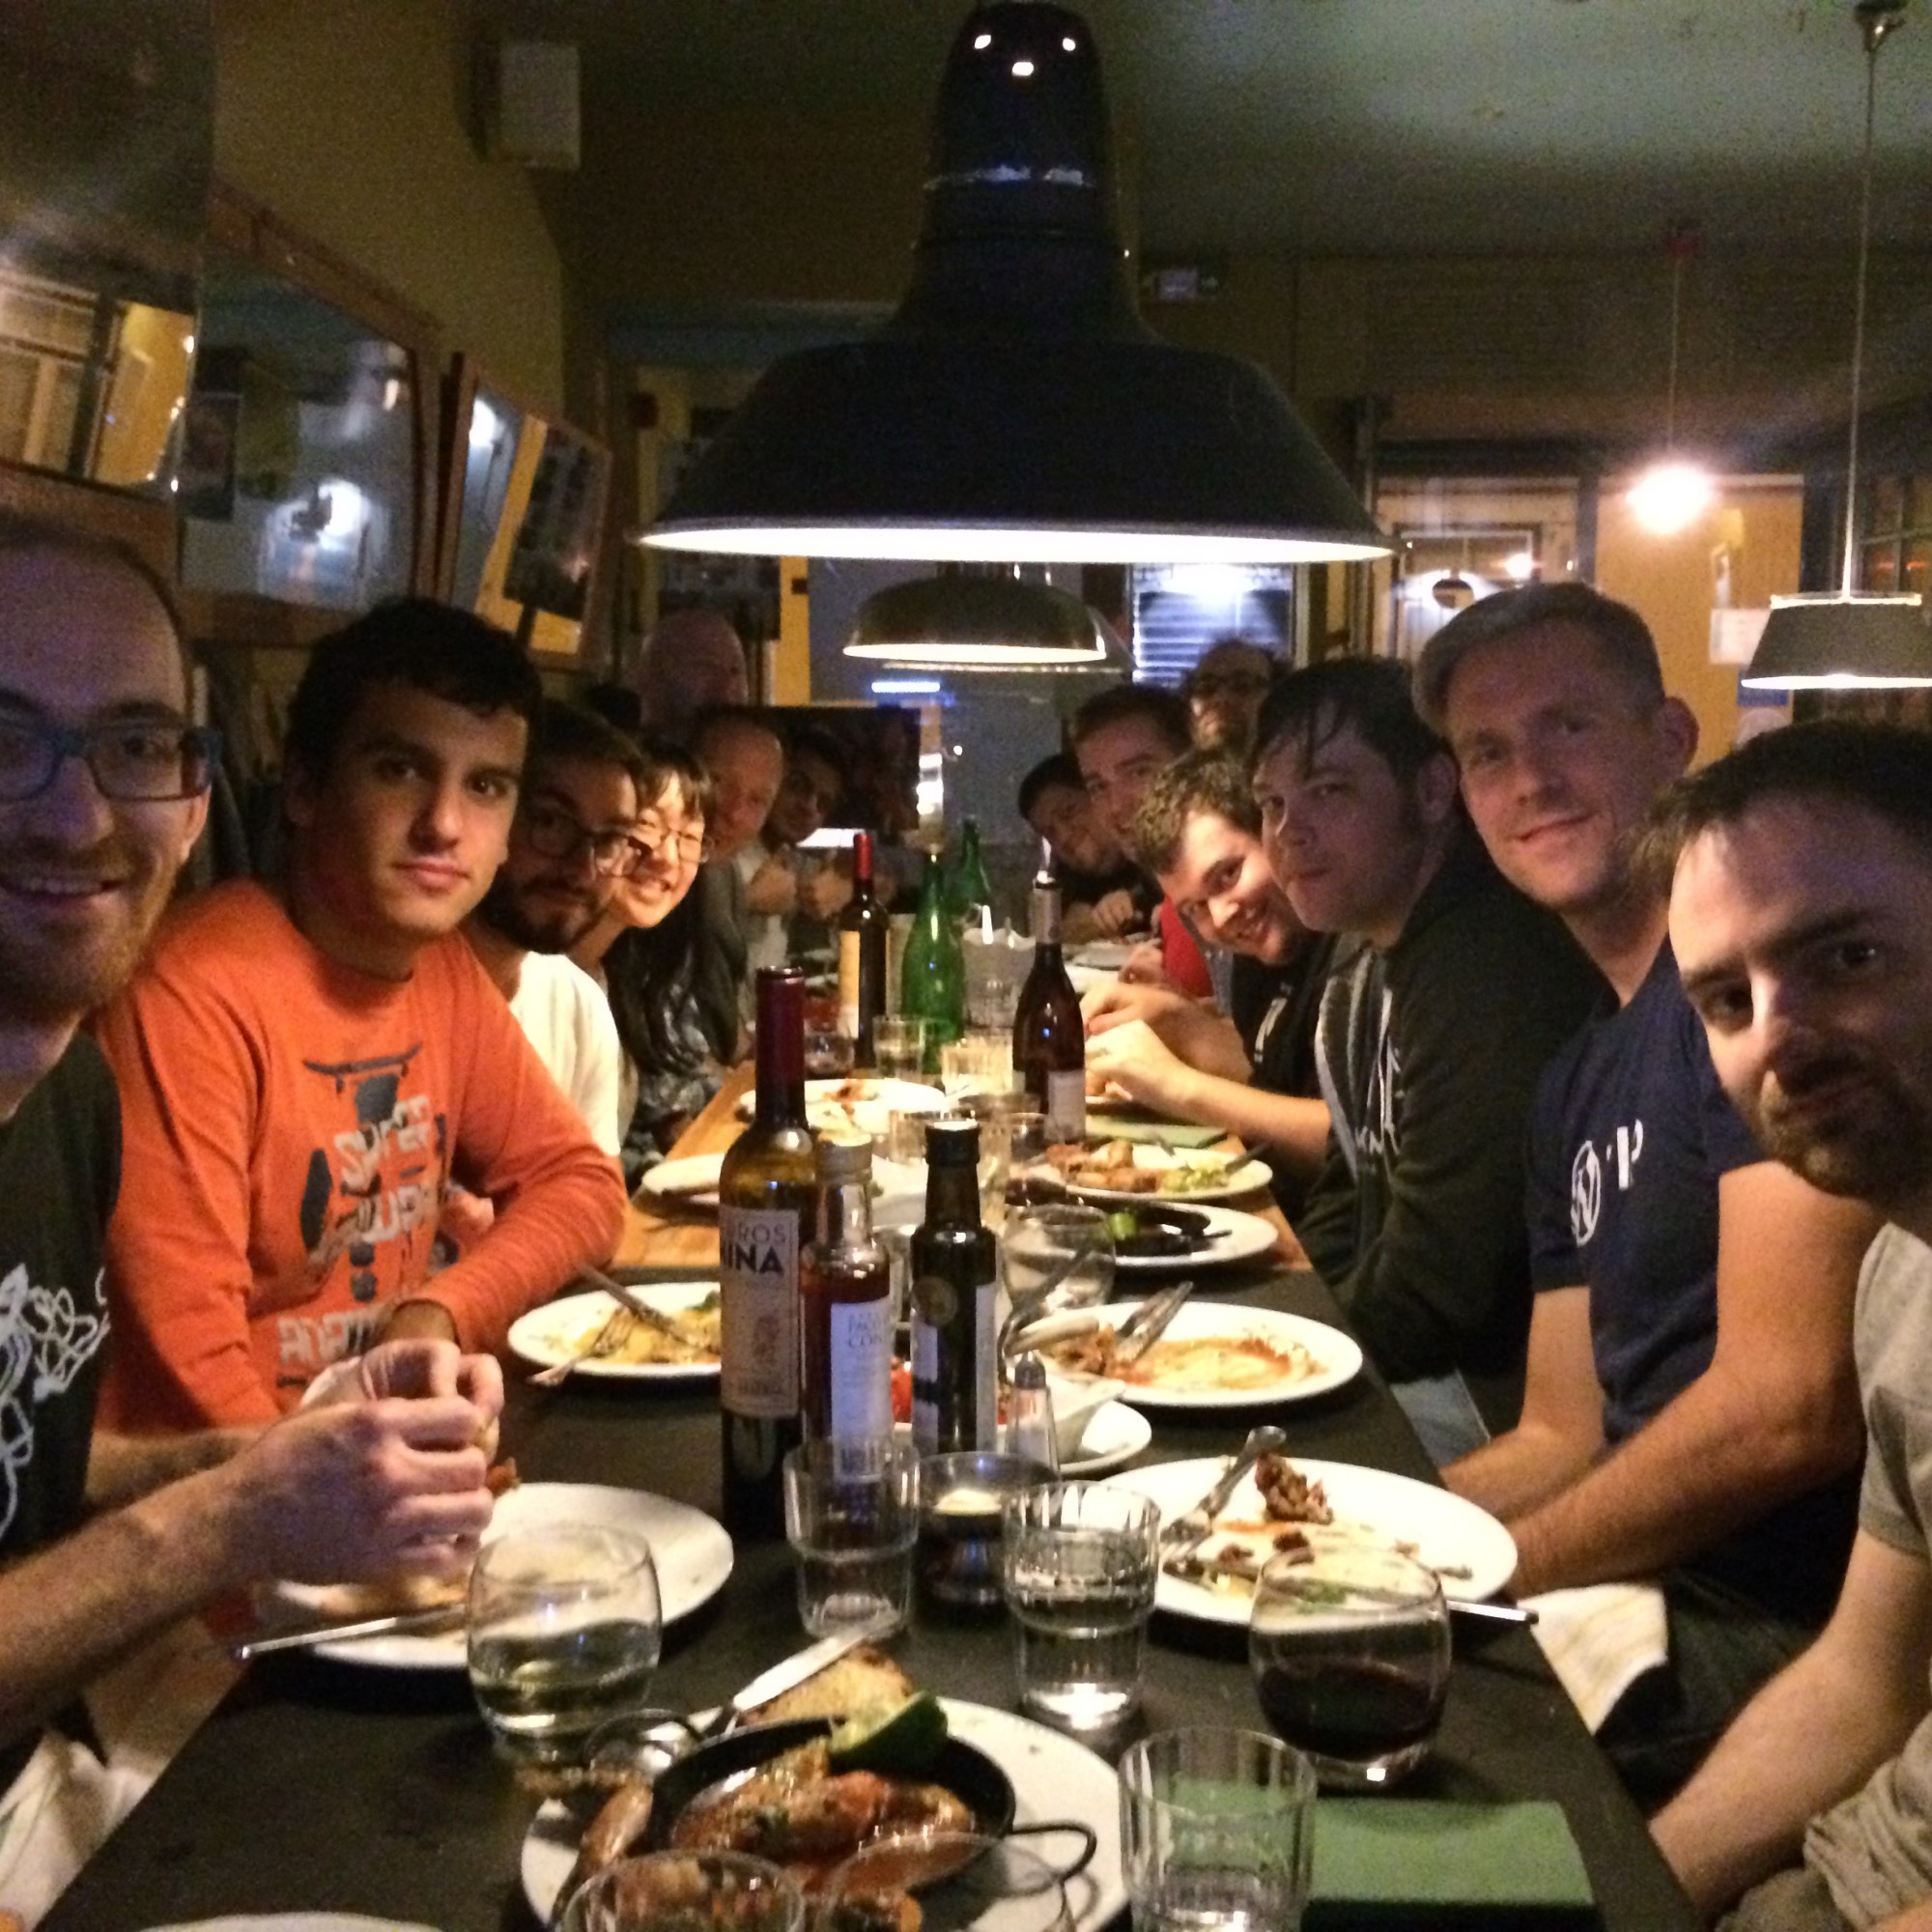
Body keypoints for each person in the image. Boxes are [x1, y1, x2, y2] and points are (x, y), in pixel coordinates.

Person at [0, 517, 504, 1921]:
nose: (74, 815)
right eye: (5, 736)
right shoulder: (171, 1011)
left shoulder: (61, 1086)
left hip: (59, 1780)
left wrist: (272, 1455)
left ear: (194, 784)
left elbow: (28, 1471)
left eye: (135, 745)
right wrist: (226, 1518)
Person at [1417, 583, 1869, 1807]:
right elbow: (1561, 1432)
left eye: (1567, 726)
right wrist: (1369, 1537)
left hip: (1778, 1627)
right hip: (1632, 1581)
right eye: (1488, 753)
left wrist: (1467, 1576)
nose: (1529, 780)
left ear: (1670, 739)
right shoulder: (1572, 1081)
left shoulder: (1754, 1017)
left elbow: (1791, 1406)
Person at [96, 600, 627, 1431]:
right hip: (242, 1503)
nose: (444, 825)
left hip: (374, 1470)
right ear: (306, 787)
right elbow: (188, 1390)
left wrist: (441, 1310)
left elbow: (582, 1185)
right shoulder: (191, 989)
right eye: (400, 769)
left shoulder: (438, 968)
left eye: (485, 787)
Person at [1644, 723, 1932, 1929]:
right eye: (1725, 999)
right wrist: (1615, 1892)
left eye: (1846, 955)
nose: (1775, 1033)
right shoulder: (1899, 1272)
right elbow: (1864, 1681)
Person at [1252, 658, 1605, 1455]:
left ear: (1433, 792)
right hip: (1421, 1367)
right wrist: (1292, 1331)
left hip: (1491, 1404)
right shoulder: (1360, 953)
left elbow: (1445, 1281)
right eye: (1270, 803)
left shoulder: (1491, 961)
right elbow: (1352, 1186)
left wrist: (1288, 1372)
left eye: (1329, 791)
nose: (1288, 832)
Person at [1080, 753, 1340, 1217]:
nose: (1220, 916)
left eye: (1227, 875)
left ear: (1273, 831)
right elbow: (1276, 1082)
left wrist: (1177, 1085)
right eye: (1195, 908)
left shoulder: (1351, 951)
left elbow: (1350, 1136)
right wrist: (1175, 1020)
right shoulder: (1256, 962)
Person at [465, 700, 646, 1153]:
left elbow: (593, 1210)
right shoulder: (394, 1000)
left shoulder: (579, 1006)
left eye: (608, 841)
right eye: (550, 822)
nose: (582, 869)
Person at [1068, 684, 1215, 996]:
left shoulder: (1226, 892)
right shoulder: (1173, 894)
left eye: (1138, 773)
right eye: (1099, 787)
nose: (1116, 805)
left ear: (1193, 763)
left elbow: (1266, 1040)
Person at [691, 705, 786, 1038]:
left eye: (757, 800)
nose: (733, 812)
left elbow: (727, 1035)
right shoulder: (639, 894)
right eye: (719, 782)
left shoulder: (723, 875)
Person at [1017, 753, 1153, 943]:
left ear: (1100, 799)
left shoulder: (1155, 859)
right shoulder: (1064, 884)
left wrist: (1134, 904)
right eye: (1050, 832)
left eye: (1068, 813)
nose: (1063, 836)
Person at [632, 608, 749, 741]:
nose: (727, 685)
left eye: (735, 671)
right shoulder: (623, 758)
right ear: (653, 676)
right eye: (706, 667)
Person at [1184, 635, 1279, 755]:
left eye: (1242, 685)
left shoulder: (1299, 773)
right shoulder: (1167, 772)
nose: (1221, 699)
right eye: (1206, 687)